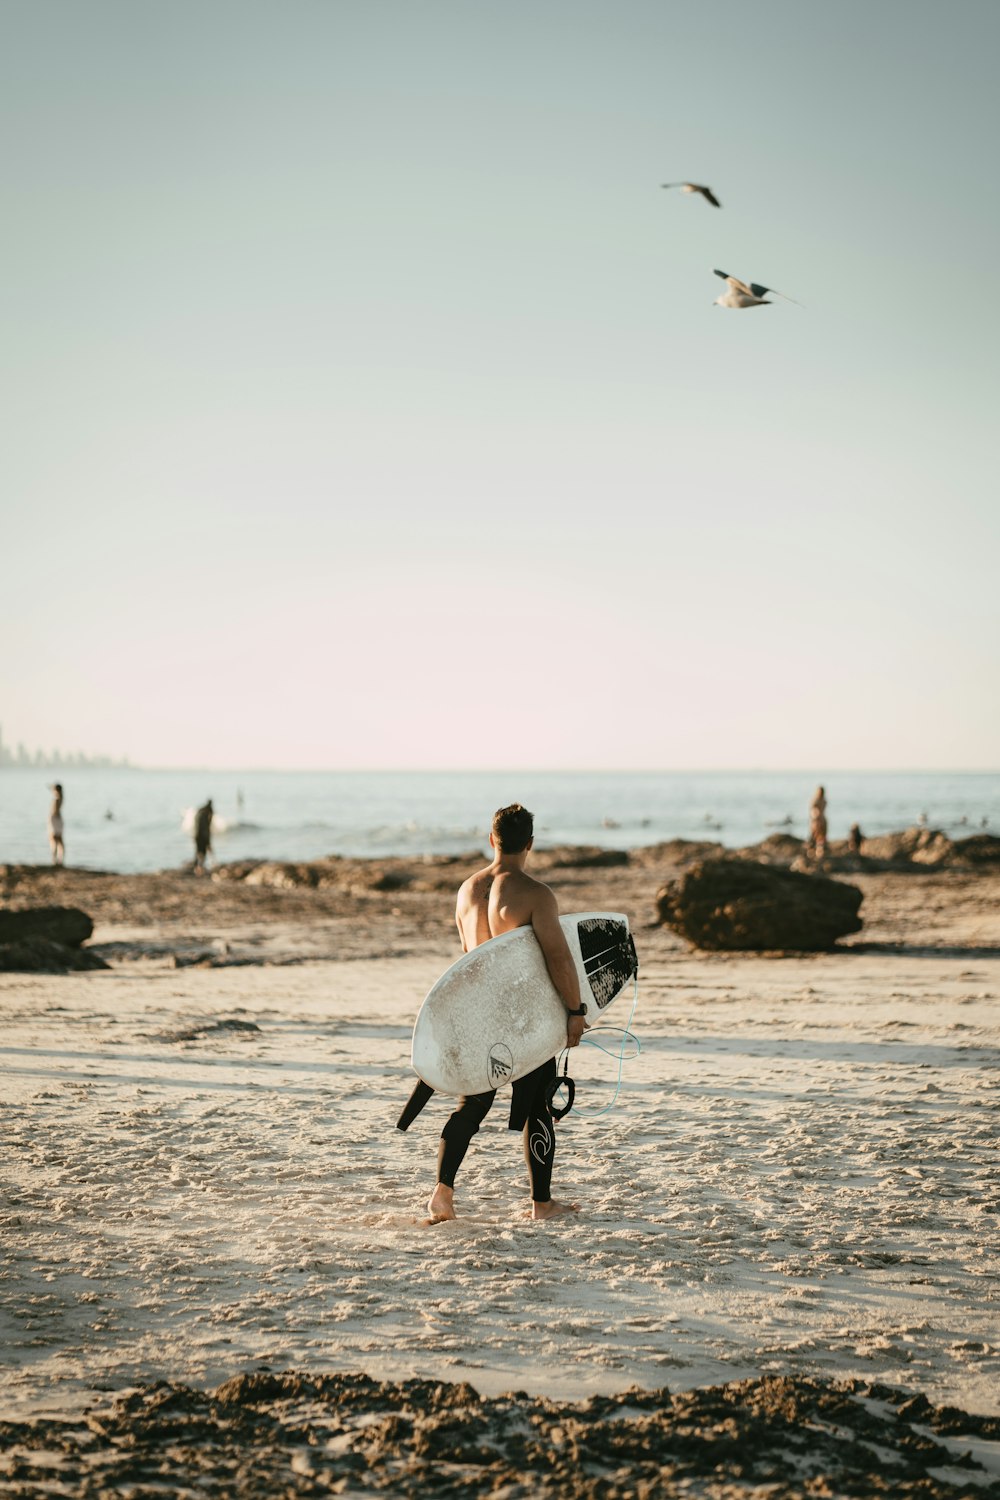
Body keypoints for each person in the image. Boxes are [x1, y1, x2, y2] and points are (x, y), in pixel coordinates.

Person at [425, 803, 587, 1225]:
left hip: (475, 1015)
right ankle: (542, 1203)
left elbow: (467, 957)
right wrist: (574, 1011)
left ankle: (442, 1194)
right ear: (530, 843)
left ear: (491, 839)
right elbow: (558, 959)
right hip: (521, 1018)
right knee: (540, 1107)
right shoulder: (535, 893)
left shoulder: (466, 890)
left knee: (471, 1107)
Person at [193, 799, 214, 873]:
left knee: (198, 851)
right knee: (202, 852)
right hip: (201, 836)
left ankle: (196, 867)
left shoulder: (200, 812)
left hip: (196, 835)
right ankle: (199, 868)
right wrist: (208, 841)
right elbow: (205, 829)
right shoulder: (205, 815)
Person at [808, 785, 828, 858]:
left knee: (822, 837)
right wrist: (816, 818)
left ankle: (819, 851)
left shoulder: (824, 800)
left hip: (821, 820)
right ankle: (813, 851)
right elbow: (812, 811)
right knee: (815, 836)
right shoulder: (815, 800)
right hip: (817, 821)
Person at [48, 783, 65, 866]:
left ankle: (55, 860)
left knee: (54, 839)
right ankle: (60, 860)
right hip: (58, 820)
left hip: (55, 820)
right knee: (59, 840)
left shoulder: (57, 799)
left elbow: (55, 811)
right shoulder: (61, 798)